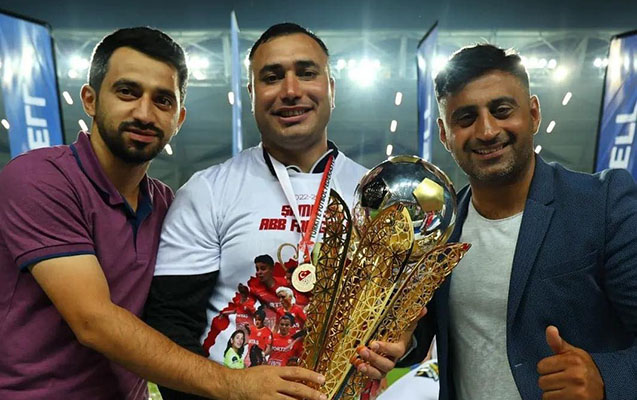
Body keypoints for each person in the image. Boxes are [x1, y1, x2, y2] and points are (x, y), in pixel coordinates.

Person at [0, 27, 326, 400]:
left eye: (163, 100)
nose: (144, 113)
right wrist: (234, 383)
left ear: (179, 118)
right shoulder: (40, 178)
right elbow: (93, 321)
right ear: (90, 100)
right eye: (127, 92)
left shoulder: (167, 204)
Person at [144, 22, 410, 399]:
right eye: (272, 77)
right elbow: (170, 325)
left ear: (331, 89)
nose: (290, 90)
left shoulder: (378, 195)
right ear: (252, 94)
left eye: (306, 73)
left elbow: (404, 319)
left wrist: (403, 343)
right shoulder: (208, 191)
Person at [400, 44, 637, 400]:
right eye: (466, 118)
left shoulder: (603, 205)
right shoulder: (440, 229)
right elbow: (420, 334)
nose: (487, 130)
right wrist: (400, 342)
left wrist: (606, 379)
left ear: (534, 114)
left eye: (501, 110)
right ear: (445, 134)